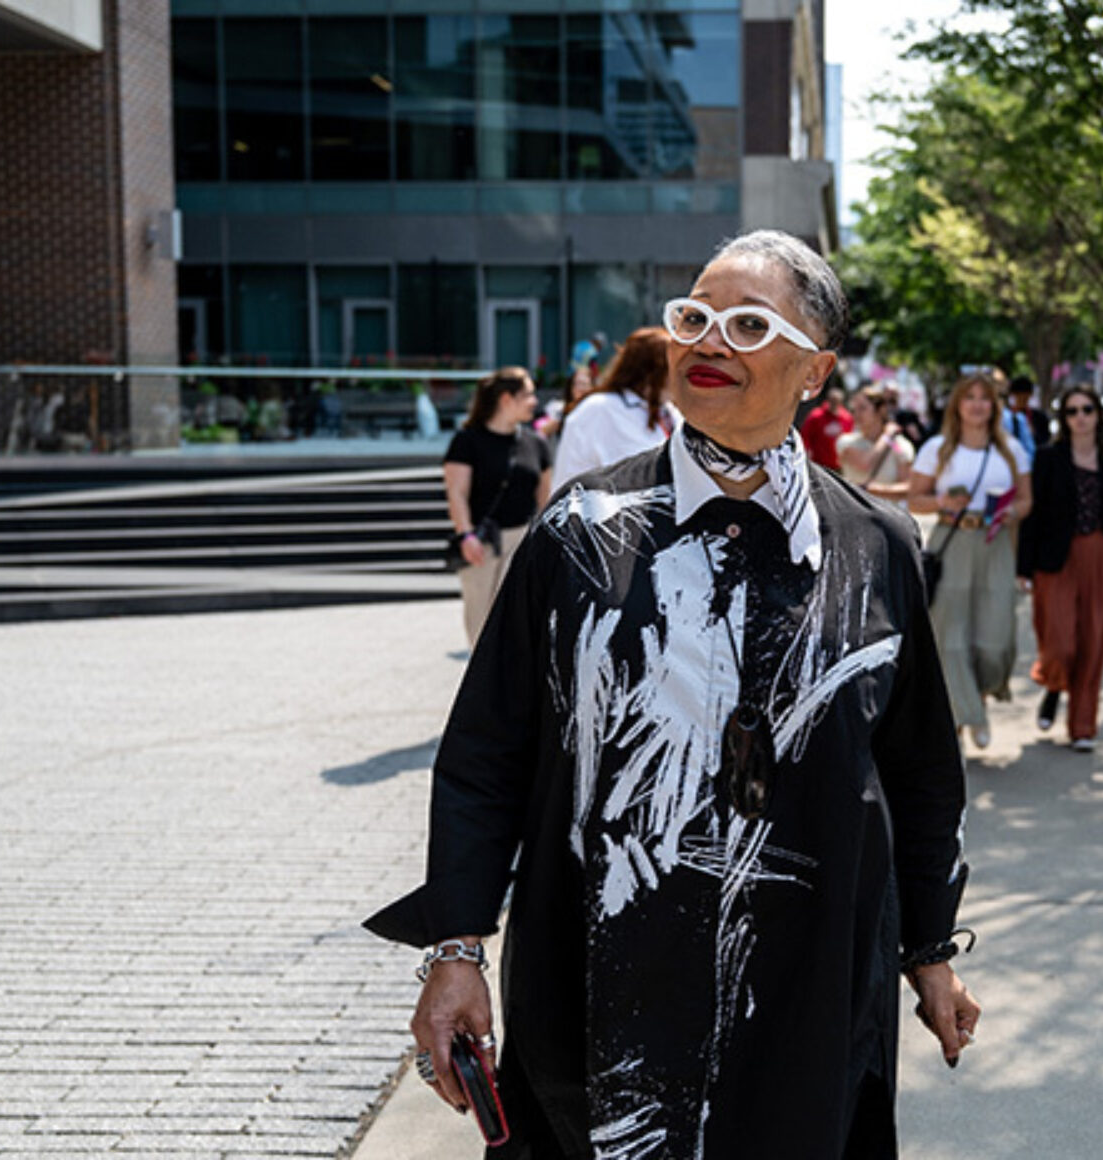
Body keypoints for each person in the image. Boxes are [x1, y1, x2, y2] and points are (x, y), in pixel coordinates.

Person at [367, 229, 979, 1159]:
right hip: (601, 1000)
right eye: (693, 319)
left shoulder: (875, 547)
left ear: (815, 370)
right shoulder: (580, 534)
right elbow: (487, 753)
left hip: (807, 1001)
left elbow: (920, 768)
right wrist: (456, 949)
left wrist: (929, 951)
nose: (708, 343)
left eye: (745, 324)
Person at [907, 370, 1033, 751]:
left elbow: (1027, 500)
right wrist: (944, 501)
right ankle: (963, 716)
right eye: (970, 397)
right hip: (952, 539)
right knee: (951, 636)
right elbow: (915, 500)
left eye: (985, 397)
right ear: (958, 405)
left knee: (995, 636)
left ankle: (977, 698)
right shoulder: (938, 448)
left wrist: (1010, 513)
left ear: (994, 405)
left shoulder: (1010, 448)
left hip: (995, 542)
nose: (977, 404)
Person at [1016, 385, 1103, 750]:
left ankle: (1082, 727)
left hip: (1097, 554)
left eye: (1087, 410)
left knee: (1093, 644)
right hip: (1055, 558)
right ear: (1064, 419)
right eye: (1072, 411)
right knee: (1060, 642)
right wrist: (1024, 567)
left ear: (1098, 415)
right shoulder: (1049, 458)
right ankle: (1053, 685)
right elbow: (1034, 516)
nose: (1080, 417)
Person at [442, 367, 553, 646]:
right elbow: (456, 493)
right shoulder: (467, 441)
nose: (534, 402)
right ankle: (484, 687)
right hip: (482, 542)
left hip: (523, 541)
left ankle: (515, 687)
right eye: (528, 395)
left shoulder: (536, 444)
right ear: (506, 399)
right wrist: (465, 535)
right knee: (480, 625)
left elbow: (545, 500)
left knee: (519, 624)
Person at [549, 326, 676, 491]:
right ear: (652, 372)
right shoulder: (598, 410)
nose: (681, 376)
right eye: (673, 368)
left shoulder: (670, 412)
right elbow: (566, 483)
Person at [835, 384, 915, 508]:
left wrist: (874, 490)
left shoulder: (899, 446)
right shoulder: (845, 441)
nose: (856, 414)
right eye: (854, 409)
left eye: (862, 408)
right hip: (851, 515)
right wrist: (887, 436)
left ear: (881, 410)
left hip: (887, 519)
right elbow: (864, 464)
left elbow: (907, 487)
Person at [798, 380, 853, 469]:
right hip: (819, 464)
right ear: (828, 401)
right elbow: (805, 437)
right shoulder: (816, 416)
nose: (834, 405)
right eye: (832, 401)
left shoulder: (846, 418)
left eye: (837, 402)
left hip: (838, 465)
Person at [1006, 375, 1051, 452]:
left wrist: (1032, 434)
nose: (1021, 401)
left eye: (1025, 398)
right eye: (1018, 397)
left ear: (1030, 396)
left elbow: (1045, 442)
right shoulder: (1005, 416)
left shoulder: (1040, 418)